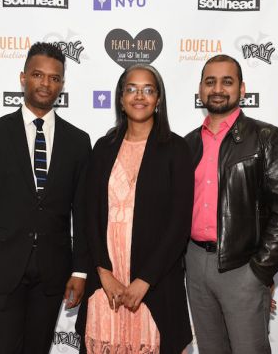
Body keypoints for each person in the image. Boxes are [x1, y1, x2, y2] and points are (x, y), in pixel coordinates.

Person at [0, 42, 91, 353]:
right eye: (38, 74)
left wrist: (79, 270)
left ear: (61, 84)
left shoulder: (78, 141)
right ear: (23, 78)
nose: (45, 83)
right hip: (1, 272)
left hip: (53, 272)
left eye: (54, 77)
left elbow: (84, 212)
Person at [75, 64, 194, 353]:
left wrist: (145, 281)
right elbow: (87, 214)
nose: (139, 96)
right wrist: (103, 272)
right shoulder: (103, 147)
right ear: (120, 97)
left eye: (148, 89)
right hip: (107, 282)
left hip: (156, 282)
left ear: (158, 99)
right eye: (131, 89)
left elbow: (179, 224)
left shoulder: (176, 149)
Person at [184, 54, 278, 354]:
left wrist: (259, 271)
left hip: (241, 265)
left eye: (227, 81)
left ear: (242, 89)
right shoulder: (188, 143)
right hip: (195, 262)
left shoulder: (266, 137)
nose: (217, 88)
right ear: (200, 90)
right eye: (210, 82)